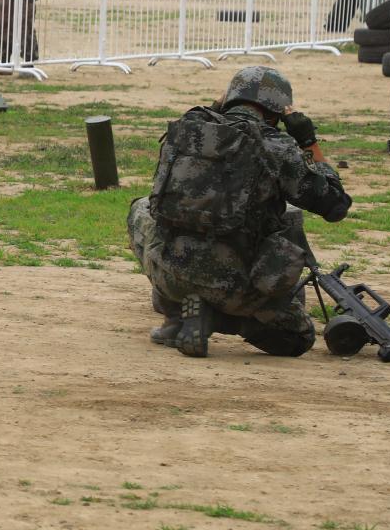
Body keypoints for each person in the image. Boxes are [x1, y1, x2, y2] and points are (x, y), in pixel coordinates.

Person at [127, 66, 351, 358]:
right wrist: (308, 142)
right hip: (237, 287)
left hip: (170, 273)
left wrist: (217, 107)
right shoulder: (278, 147)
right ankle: (217, 318)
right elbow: (335, 206)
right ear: (278, 112)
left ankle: (176, 315)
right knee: (298, 338)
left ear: (229, 98)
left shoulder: (185, 130)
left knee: (141, 208)